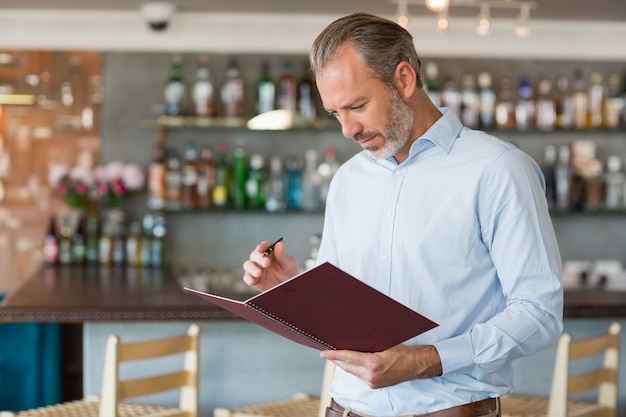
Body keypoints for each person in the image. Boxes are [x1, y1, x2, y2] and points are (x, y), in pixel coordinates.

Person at [243, 12, 563, 417]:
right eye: (335, 113)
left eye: (357, 106)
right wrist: (291, 287)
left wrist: (426, 359)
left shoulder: (498, 170)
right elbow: (342, 310)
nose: (347, 129)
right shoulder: (348, 180)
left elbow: (539, 314)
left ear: (405, 79)